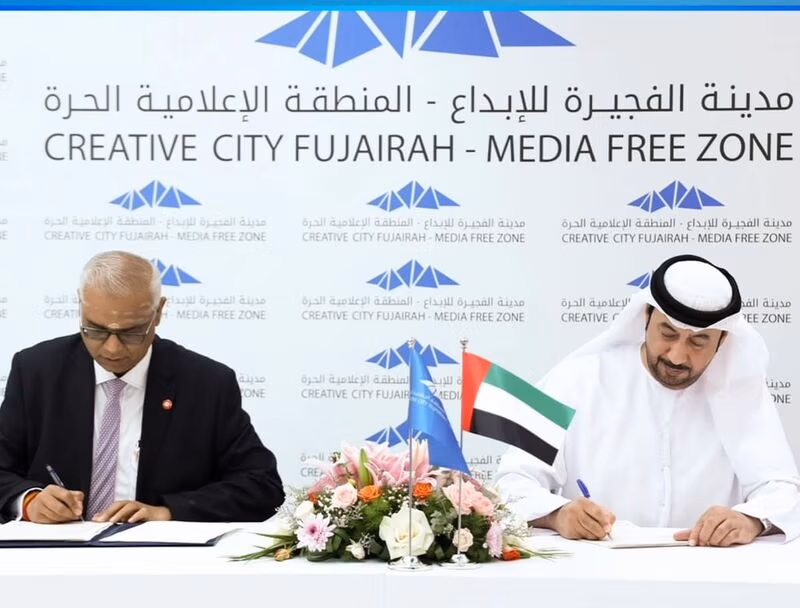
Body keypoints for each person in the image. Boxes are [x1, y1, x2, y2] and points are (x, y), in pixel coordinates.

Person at [496, 254, 800, 547]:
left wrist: (750, 520)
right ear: (645, 316)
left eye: (698, 341)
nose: (677, 356)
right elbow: (512, 480)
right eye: (668, 333)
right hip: (594, 570)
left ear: (722, 340)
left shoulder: (742, 392)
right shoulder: (574, 377)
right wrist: (557, 514)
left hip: (707, 571)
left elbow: (783, 491)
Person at [0, 251, 284, 524]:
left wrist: (166, 513)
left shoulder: (207, 383)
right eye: (96, 330)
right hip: (54, 551)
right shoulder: (36, 371)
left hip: (159, 553)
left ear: (158, 312)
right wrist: (29, 501)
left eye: (131, 332)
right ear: (80, 305)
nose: (112, 348)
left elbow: (262, 487)